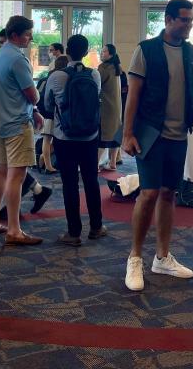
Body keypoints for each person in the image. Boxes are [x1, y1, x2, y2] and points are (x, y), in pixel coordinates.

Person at [122, 0, 193, 292]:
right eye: (184, 20)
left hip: (177, 135)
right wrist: (127, 133)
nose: (188, 25)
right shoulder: (146, 50)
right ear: (169, 20)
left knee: (169, 193)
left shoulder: (190, 51)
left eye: (190, 20)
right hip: (150, 133)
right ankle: (135, 257)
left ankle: (162, 256)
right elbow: (133, 95)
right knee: (148, 193)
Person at [0, 15, 45, 246]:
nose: (30, 38)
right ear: (14, 35)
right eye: (28, 34)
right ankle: (14, 229)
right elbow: (32, 94)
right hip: (18, 124)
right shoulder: (18, 59)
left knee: (1, 172)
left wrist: (34, 109)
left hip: (0, 122)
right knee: (16, 177)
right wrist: (37, 101)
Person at [44, 34, 106, 245]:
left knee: (69, 183)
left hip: (65, 137)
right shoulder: (94, 75)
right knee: (91, 181)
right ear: (87, 52)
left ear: (67, 51)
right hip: (90, 136)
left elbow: (47, 105)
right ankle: (97, 227)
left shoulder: (56, 76)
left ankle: (74, 233)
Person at [38, 55, 68, 173]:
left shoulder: (49, 76)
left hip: (47, 112)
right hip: (54, 113)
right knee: (52, 140)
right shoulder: (62, 77)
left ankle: (44, 161)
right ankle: (47, 165)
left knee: (47, 139)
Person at [97, 43, 124, 171]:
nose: (101, 53)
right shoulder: (117, 68)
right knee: (115, 136)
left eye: (104, 52)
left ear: (111, 54)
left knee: (103, 136)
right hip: (117, 107)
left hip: (106, 107)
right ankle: (113, 162)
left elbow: (97, 85)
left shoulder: (103, 68)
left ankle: (95, 164)